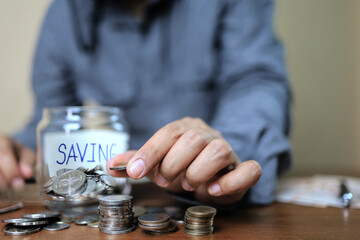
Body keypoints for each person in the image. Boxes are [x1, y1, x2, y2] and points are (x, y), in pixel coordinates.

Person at [0, 0, 291, 207]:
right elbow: (52, 120)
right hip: (117, 198)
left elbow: (256, 81)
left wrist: (223, 156)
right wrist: (16, 152)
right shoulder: (64, 13)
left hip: (201, 197)